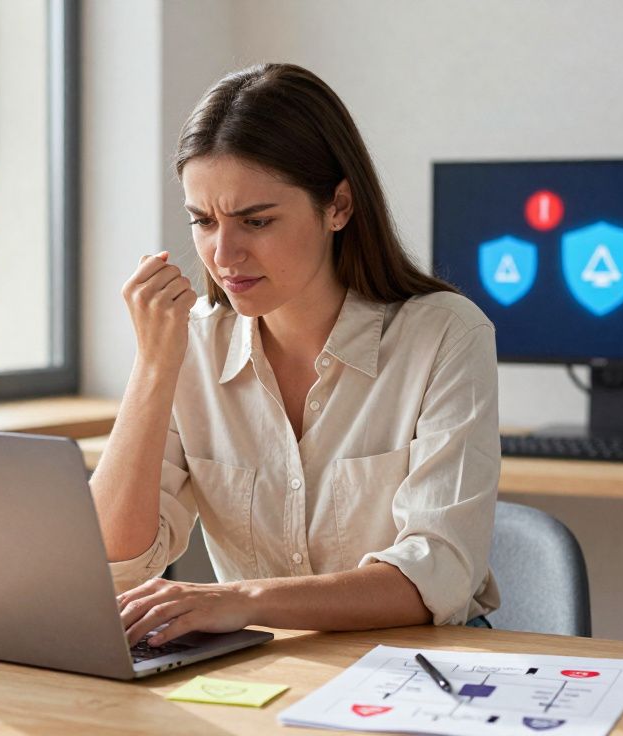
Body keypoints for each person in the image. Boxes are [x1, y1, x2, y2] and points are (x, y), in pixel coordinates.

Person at [89, 63, 500, 649]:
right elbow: (115, 563)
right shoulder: (192, 346)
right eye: (202, 221)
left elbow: (437, 574)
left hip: (422, 666)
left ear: (338, 206)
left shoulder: (444, 336)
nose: (223, 253)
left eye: (256, 220)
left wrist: (238, 600)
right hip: (272, 669)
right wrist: (153, 368)